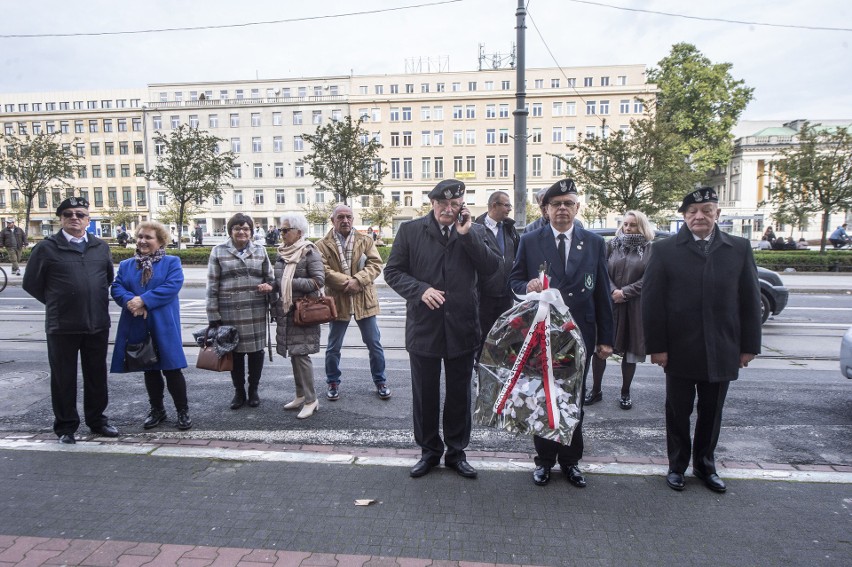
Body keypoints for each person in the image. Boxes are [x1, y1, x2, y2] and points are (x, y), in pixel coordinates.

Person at [642, 187, 762, 493]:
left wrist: (749, 347)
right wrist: (657, 347)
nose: (699, 216)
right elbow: (652, 302)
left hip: (722, 348)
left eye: (706, 210)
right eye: (693, 211)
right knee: (678, 411)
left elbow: (750, 300)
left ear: (717, 214)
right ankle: (677, 466)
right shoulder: (664, 249)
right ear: (683, 216)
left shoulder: (738, 248)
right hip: (679, 349)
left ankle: (706, 466)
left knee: (712, 412)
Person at [385, 179, 502, 479]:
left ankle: (456, 453)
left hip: (462, 328)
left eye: (454, 205)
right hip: (424, 328)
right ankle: (429, 452)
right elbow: (393, 271)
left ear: (462, 206)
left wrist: (467, 237)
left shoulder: (475, 231)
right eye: (442, 205)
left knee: (459, 395)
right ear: (432, 204)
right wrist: (420, 289)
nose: (448, 210)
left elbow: (492, 267)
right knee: (424, 395)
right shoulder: (410, 231)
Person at [509, 178, 613, 488]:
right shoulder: (530, 241)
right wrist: (525, 287)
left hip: (580, 333)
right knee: (544, 399)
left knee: (573, 400)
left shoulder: (594, 242)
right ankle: (543, 462)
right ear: (545, 209)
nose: (563, 209)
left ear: (577, 207)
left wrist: (607, 338)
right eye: (556, 204)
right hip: (543, 334)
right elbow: (513, 280)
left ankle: (570, 461)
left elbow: (603, 294)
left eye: (569, 203)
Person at [22, 197, 118, 444]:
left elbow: (107, 278)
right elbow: (31, 283)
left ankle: (97, 421)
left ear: (88, 219)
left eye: (79, 214)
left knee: (97, 375)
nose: (74, 218)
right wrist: (57, 303)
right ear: (61, 219)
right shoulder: (46, 248)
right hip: (62, 325)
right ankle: (66, 427)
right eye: (68, 214)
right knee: (64, 377)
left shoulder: (100, 246)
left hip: (96, 323)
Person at [110, 221, 191, 430]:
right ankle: (157, 410)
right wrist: (131, 301)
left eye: (148, 237)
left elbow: (172, 286)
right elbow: (117, 287)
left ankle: (182, 410)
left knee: (172, 369)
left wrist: (143, 300)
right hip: (138, 322)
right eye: (140, 237)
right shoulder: (128, 264)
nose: (142, 241)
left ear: (161, 241)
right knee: (149, 368)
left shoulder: (172, 262)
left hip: (164, 323)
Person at [316, 204, 391, 401]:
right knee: (334, 346)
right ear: (332, 220)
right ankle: (332, 382)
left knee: (374, 343)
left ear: (353, 219)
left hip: (363, 300)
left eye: (348, 217)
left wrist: (358, 281)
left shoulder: (365, 240)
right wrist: (346, 283)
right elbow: (322, 271)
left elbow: (375, 265)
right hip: (338, 301)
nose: (345, 220)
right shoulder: (321, 245)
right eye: (340, 217)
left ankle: (380, 381)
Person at [206, 213, 274, 409]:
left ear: (252, 232)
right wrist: (213, 315)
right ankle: (239, 392)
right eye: (237, 228)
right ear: (230, 231)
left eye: (245, 228)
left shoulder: (260, 250)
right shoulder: (218, 252)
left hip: (255, 309)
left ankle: (253, 390)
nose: (242, 232)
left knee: (255, 353)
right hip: (229, 312)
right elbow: (212, 286)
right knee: (234, 353)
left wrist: (269, 287)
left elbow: (270, 279)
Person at [587, 211, 653, 410]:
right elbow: (600, 270)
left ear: (641, 226)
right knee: (601, 349)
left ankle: (625, 392)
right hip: (609, 304)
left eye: (632, 225)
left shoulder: (650, 249)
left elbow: (650, 278)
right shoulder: (612, 245)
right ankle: (596, 390)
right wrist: (613, 290)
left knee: (630, 351)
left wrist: (625, 292)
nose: (627, 229)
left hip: (633, 306)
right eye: (625, 224)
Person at [271, 213, 325, 419]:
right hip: (287, 312)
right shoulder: (283, 253)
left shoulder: (309, 252)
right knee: (294, 354)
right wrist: (273, 285)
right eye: (281, 230)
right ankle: (300, 395)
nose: (282, 233)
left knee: (302, 355)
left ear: (298, 233)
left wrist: (288, 281)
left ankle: (312, 400)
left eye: (286, 230)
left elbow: (318, 281)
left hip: (304, 313)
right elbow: (279, 280)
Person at [473, 191, 520, 364]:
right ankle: (480, 367)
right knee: (483, 335)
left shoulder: (509, 228)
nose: (509, 209)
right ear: (494, 205)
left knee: (504, 334)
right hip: (483, 295)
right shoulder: (476, 227)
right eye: (506, 205)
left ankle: (499, 368)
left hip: (505, 293)